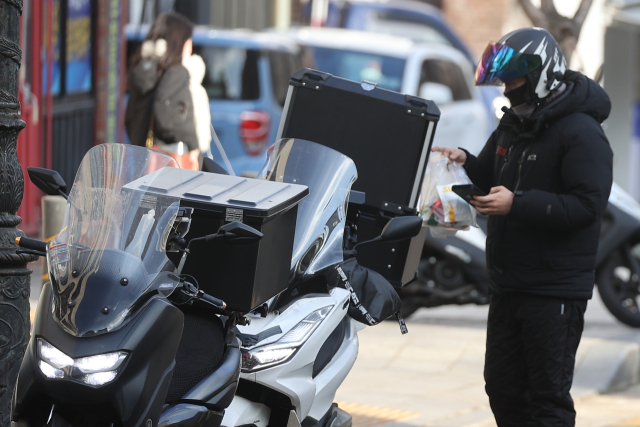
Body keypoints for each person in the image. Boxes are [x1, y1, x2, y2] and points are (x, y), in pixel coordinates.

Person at [432, 27, 613, 426]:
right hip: (509, 283)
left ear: (539, 75)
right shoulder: (513, 124)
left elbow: (587, 207)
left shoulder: (582, 132)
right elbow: (487, 172)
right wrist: (462, 161)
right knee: (503, 388)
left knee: (547, 398)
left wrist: (518, 204)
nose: (506, 88)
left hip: (553, 291)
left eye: (513, 80)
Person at [125, 12, 201, 170]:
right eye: (188, 39)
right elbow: (167, 118)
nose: (191, 45)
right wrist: (193, 145)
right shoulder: (176, 72)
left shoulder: (142, 71)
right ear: (178, 41)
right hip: (170, 162)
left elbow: (129, 118)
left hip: (141, 159)